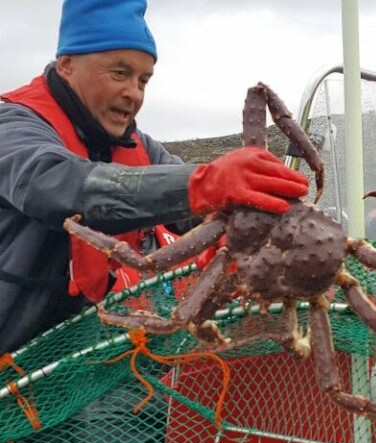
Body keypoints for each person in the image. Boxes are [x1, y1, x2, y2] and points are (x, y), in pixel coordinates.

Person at [0, 0, 309, 356]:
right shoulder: (15, 127)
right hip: (17, 363)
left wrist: (250, 224)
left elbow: (200, 211)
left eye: (143, 80)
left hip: (94, 354)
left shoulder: (139, 147)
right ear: (67, 64)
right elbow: (55, 185)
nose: (134, 92)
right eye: (120, 73)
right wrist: (203, 183)